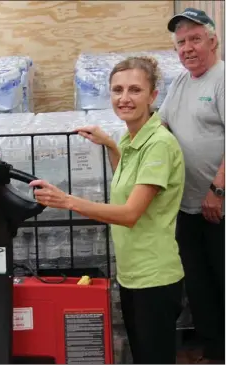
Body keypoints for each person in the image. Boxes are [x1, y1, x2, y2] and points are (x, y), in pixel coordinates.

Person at [30, 56, 185, 364]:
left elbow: (129, 213)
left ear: (153, 96)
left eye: (135, 90)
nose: (124, 98)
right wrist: (112, 147)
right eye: (117, 90)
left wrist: (67, 201)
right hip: (132, 274)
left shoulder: (159, 145)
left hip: (155, 277)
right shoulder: (131, 139)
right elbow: (127, 183)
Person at [159, 8, 225, 364]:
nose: (187, 48)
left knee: (223, 280)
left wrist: (218, 190)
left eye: (195, 39)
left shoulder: (222, 78)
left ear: (213, 41)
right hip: (187, 206)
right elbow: (162, 125)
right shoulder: (182, 83)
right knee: (199, 285)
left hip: (219, 206)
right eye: (181, 42)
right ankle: (215, 351)